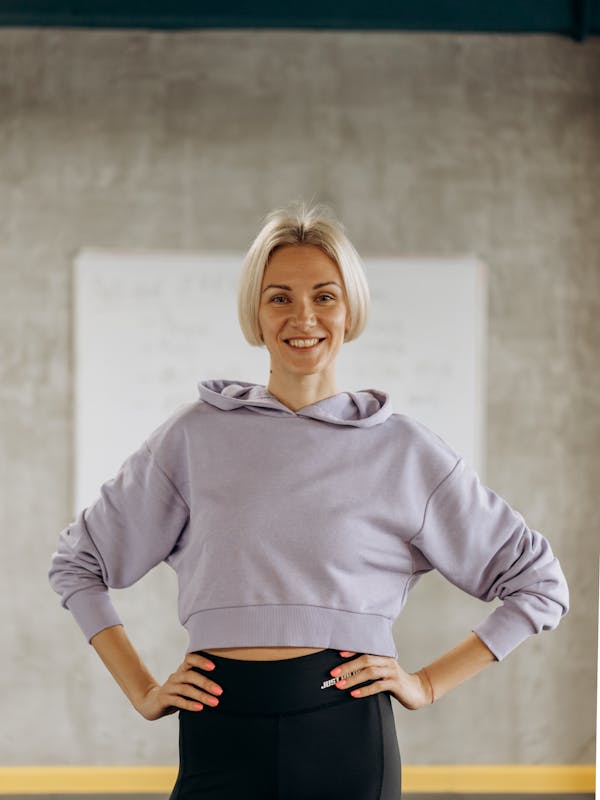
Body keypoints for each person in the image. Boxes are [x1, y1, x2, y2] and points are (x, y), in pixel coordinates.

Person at [48, 201, 569, 800]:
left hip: (345, 737)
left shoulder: (405, 450)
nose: (304, 316)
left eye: (325, 296)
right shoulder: (193, 437)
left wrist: (425, 683)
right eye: (279, 297)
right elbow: (78, 564)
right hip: (219, 729)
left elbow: (539, 582)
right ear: (256, 311)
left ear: (350, 311)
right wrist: (141, 690)